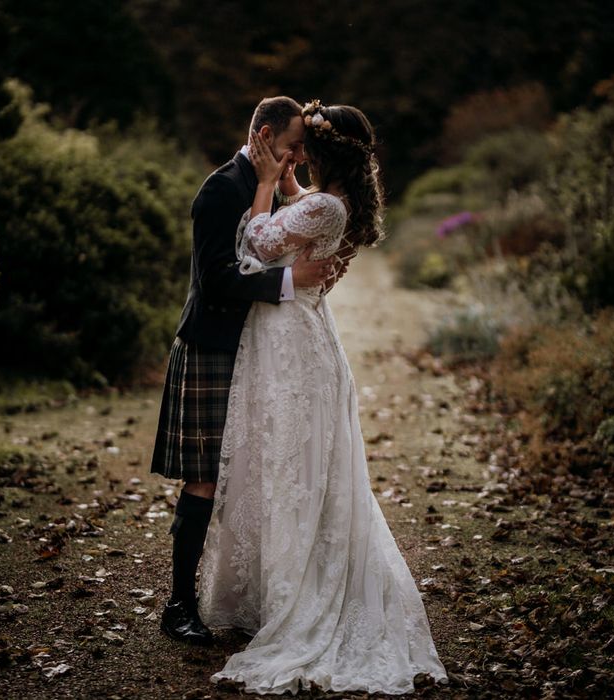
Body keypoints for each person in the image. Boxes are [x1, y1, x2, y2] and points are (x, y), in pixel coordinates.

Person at [198, 100, 448, 694]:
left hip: (291, 346)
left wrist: (264, 185)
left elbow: (257, 246)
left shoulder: (323, 206)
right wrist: (287, 188)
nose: (296, 156)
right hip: (293, 337)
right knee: (281, 462)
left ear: (324, 156)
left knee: (290, 464)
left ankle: (296, 598)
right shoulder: (330, 205)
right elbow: (294, 233)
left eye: (305, 150)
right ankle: (272, 586)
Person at [150, 96, 339, 646]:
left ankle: (251, 597)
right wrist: (290, 283)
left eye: (303, 149)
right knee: (206, 478)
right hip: (214, 347)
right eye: (291, 147)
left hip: (263, 353)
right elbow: (215, 280)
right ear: (261, 138)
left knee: (255, 479)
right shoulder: (221, 189)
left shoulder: (276, 190)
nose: (299, 157)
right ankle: (179, 604)